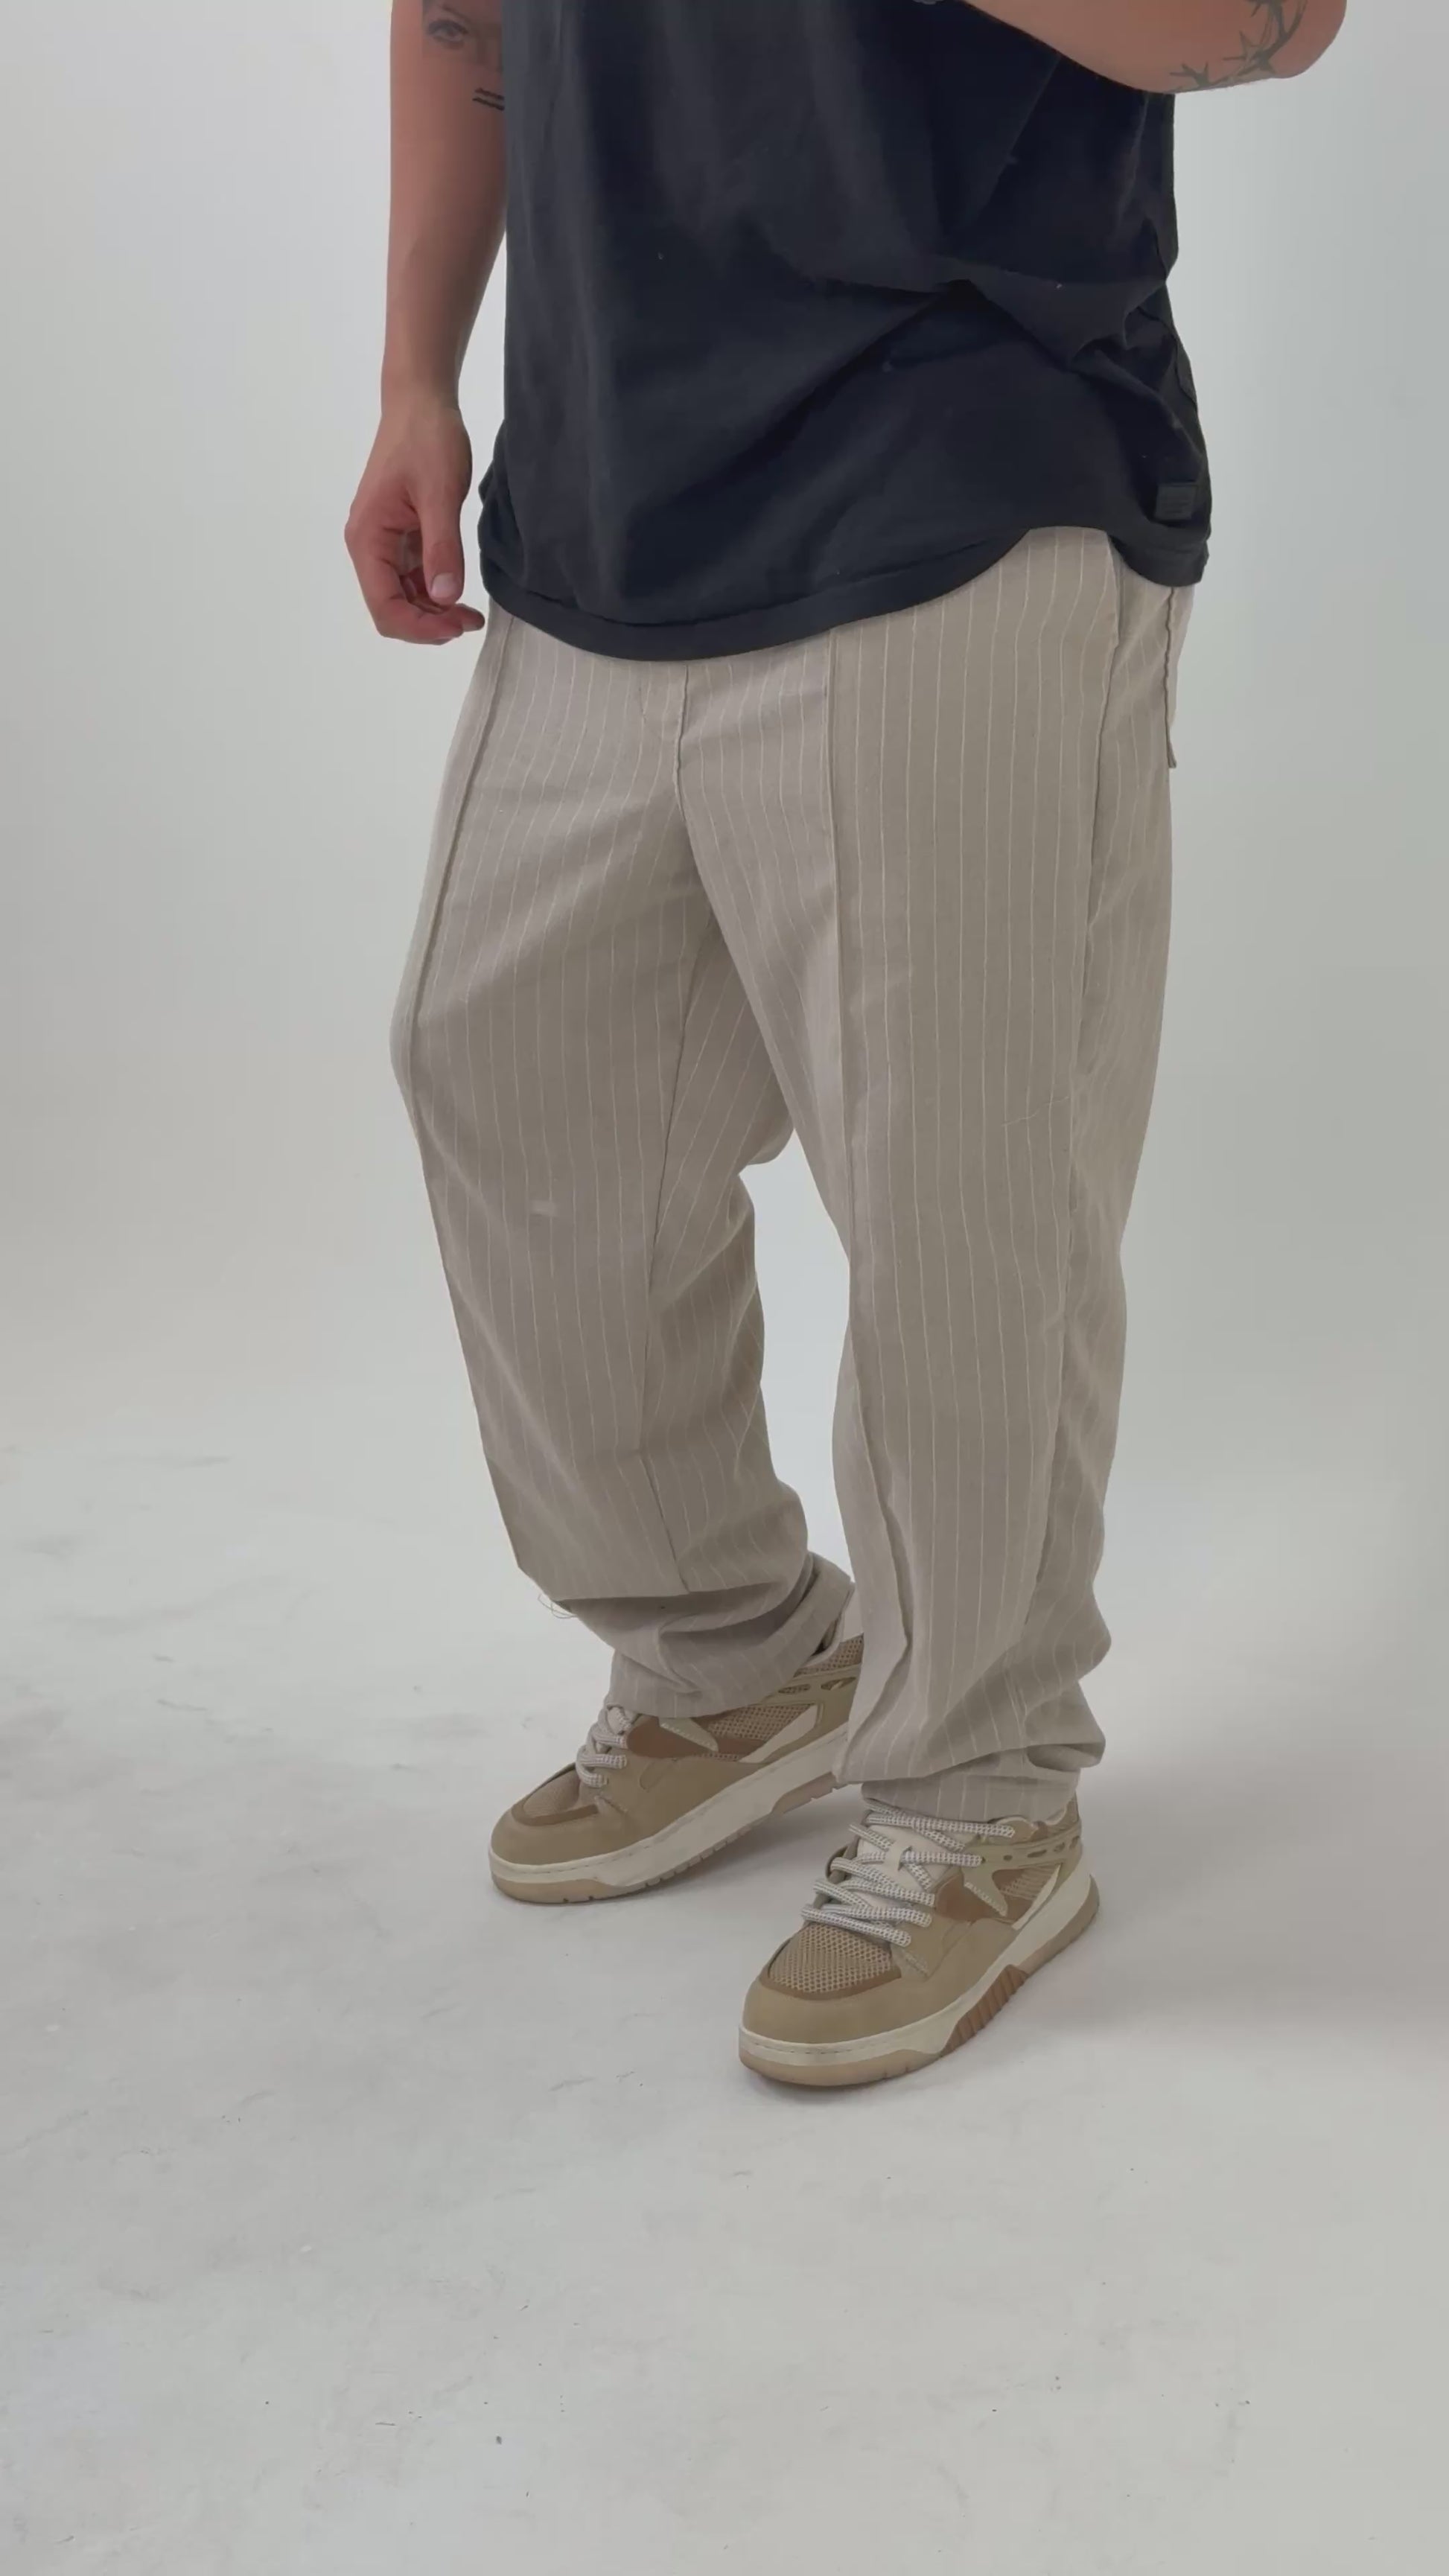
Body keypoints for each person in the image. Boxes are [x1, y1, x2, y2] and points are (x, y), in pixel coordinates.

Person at [346, 0, 1346, 2089]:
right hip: (606, 491)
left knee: (961, 1186)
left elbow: (1273, 24)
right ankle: (730, 1655)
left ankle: (981, 1788)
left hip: (961, 462)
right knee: (498, 1070)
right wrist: (414, 369)